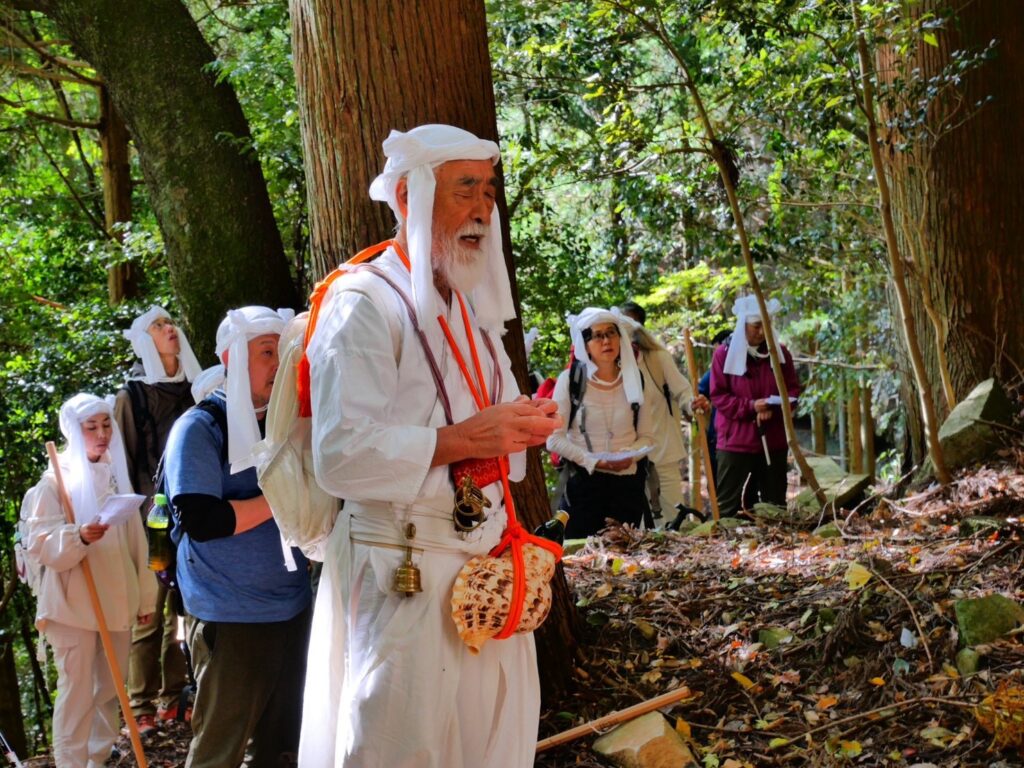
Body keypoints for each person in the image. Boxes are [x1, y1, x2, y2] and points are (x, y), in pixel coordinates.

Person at [300, 124, 560, 768]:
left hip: (485, 567)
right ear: (408, 198)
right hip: (402, 567)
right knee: (398, 747)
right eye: (464, 189)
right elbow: (339, 455)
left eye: (489, 191)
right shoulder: (362, 301)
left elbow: (497, 422)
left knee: (493, 744)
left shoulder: (468, 305)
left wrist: (528, 421)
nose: (482, 209)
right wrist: (466, 437)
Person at [163, 306, 311, 768]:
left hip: (293, 607)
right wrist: (281, 496)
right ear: (232, 358)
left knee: (281, 748)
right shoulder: (199, 428)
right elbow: (203, 520)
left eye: (283, 351)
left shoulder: (287, 423)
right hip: (230, 614)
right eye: (267, 352)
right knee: (220, 751)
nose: (279, 363)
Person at [23, 393, 157, 768]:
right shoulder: (53, 483)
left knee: (110, 688)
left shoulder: (115, 476)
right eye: (91, 427)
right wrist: (78, 537)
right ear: (73, 430)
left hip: (115, 597)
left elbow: (136, 541)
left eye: (106, 425)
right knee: (77, 691)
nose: (101, 434)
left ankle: (97, 759)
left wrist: (145, 598)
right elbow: (41, 545)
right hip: (72, 604)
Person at [114, 305, 201, 733]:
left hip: (194, 509)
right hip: (152, 519)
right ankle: (141, 706)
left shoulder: (195, 387)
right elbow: (123, 464)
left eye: (170, 322)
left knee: (183, 611)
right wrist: (136, 523)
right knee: (150, 609)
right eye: (158, 325)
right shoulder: (130, 397)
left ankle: (175, 698)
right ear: (144, 341)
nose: (169, 329)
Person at [547, 308, 655, 537]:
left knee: (625, 554)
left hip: (627, 488)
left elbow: (647, 436)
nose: (606, 341)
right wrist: (594, 461)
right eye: (597, 335)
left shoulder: (636, 379)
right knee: (582, 554)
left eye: (611, 333)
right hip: (583, 488)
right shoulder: (570, 381)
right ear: (585, 345)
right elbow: (553, 440)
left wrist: (630, 455)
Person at [709, 295, 800, 516]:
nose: (761, 332)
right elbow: (719, 395)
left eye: (765, 326)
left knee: (774, 503)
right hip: (735, 442)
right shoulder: (723, 355)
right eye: (756, 326)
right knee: (729, 506)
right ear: (744, 325)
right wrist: (751, 407)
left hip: (773, 438)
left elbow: (793, 390)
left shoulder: (780, 354)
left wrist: (774, 409)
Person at [619, 301, 709, 521]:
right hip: (626, 457)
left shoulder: (657, 358)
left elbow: (683, 392)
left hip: (662, 450)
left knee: (672, 517)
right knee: (634, 523)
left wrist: (693, 403)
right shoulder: (608, 364)